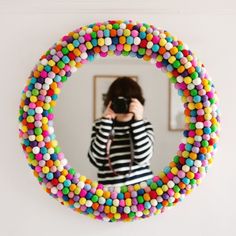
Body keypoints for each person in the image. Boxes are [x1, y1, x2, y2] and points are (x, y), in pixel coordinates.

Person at [88, 76, 154, 187]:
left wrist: (138, 121)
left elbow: (143, 158)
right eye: (119, 101)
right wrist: (106, 123)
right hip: (111, 194)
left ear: (138, 102)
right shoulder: (100, 124)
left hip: (143, 192)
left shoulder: (144, 124)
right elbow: (96, 160)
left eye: (128, 101)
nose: (124, 106)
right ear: (110, 102)